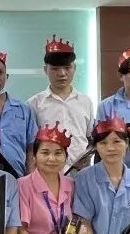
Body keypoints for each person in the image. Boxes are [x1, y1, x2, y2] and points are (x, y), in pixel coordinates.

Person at [26, 36, 95, 172]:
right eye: (55, 69)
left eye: (67, 68)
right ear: (45, 69)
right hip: (48, 172)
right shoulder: (34, 104)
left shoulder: (85, 101)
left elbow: (90, 138)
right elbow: (31, 145)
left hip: (81, 173)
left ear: (74, 68)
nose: (62, 73)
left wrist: (87, 157)